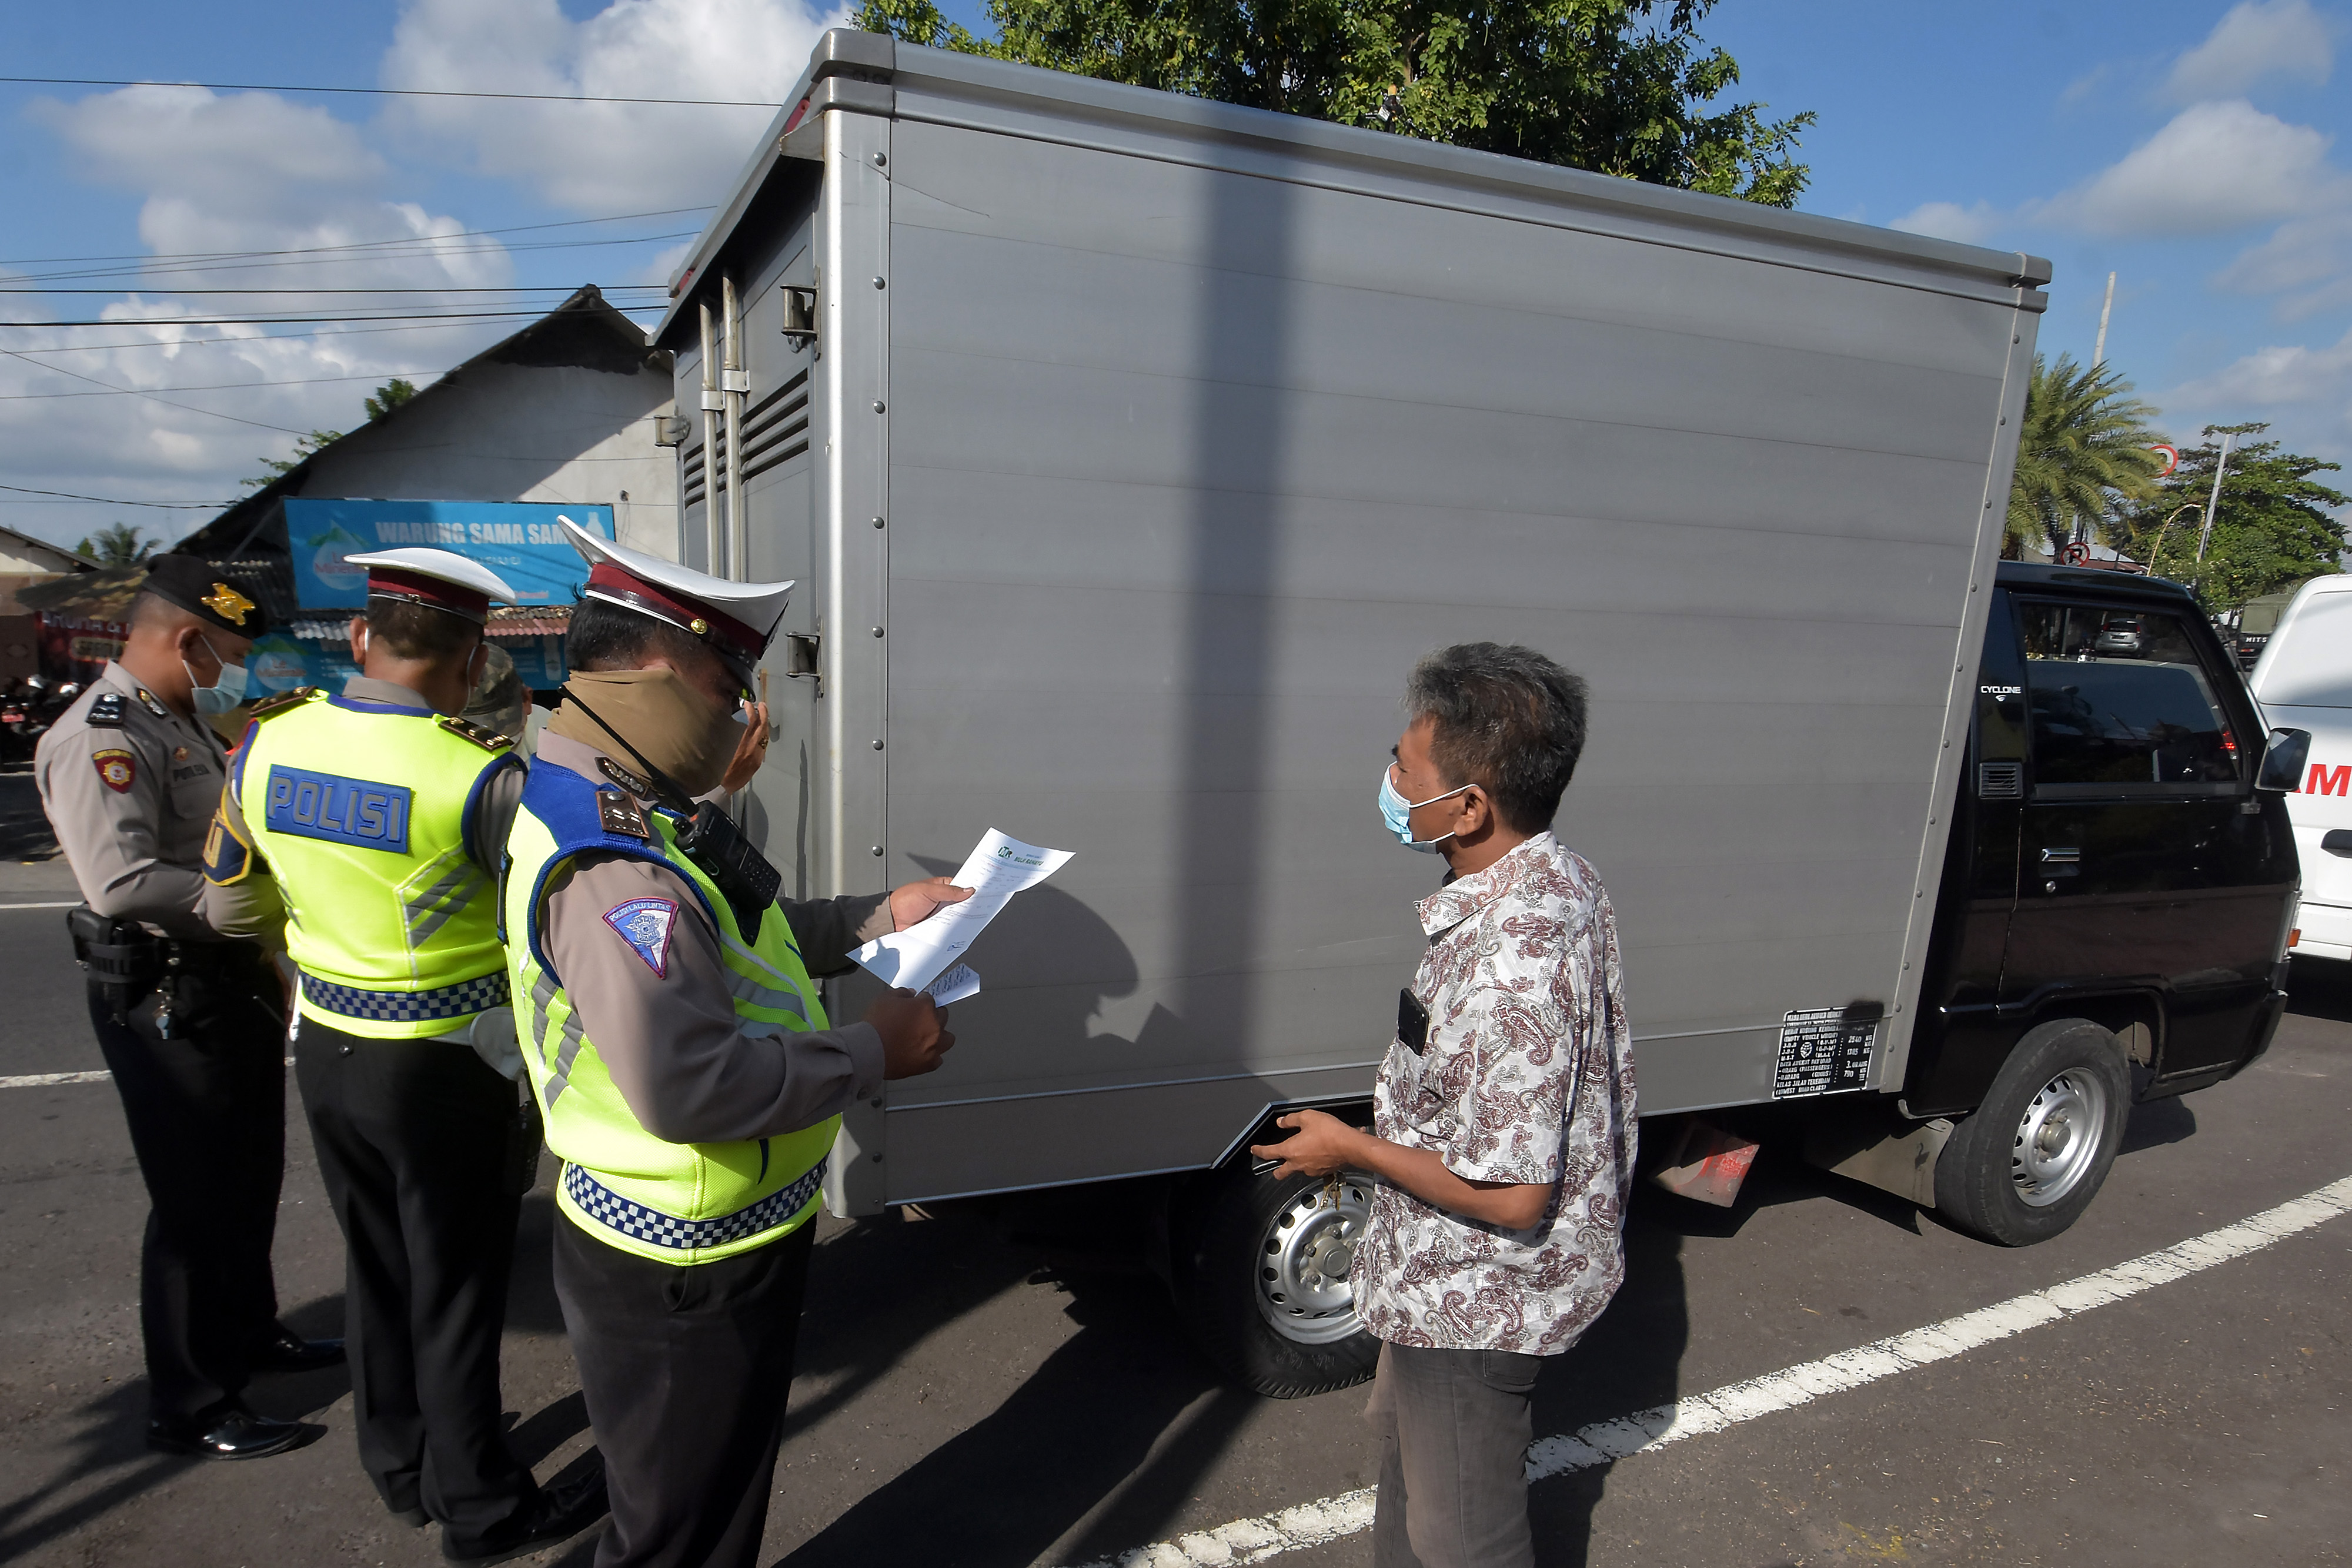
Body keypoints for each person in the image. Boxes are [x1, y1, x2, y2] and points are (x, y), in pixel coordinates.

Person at [500, 520, 969, 1568]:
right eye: (731, 683)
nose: (745, 714)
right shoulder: (614, 859)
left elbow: (747, 933)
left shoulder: (627, 803)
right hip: (683, 1261)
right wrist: (871, 1053)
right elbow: (689, 1084)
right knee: (684, 1535)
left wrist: (873, 917)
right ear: (662, 670)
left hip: (708, 1232)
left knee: (693, 1503)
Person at [201, 549, 608, 1564]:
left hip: (328, 1050)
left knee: (375, 1267)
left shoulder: (266, 743)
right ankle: (479, 1506)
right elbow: (554, 924)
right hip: (444, 1066)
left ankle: (398, 1466)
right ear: (474, 660)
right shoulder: (483, 775)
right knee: (458, 1284)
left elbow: (227, 905)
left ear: (360, 638)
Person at [1252, 641, 1636, 1568]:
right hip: (1432, 1287)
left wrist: (1350, 1150)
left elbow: (1511, 1198)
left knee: (1464, 1538)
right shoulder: (1554, 874)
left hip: (1476, 1305)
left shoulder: (1515, 965)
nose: (1389, 780)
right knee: (1415, 1503)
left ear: (1469, 807)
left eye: (1404, 768)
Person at [32, 556, 343, 1462]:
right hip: (165, 991)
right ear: (187, 639)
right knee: (193, 1198)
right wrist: (247, 907)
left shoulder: (180, 720)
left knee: (247, 1174)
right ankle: (192, 1401)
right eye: (229, 652)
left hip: (223, 981)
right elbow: (122, 881)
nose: (234, 671)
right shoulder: (101, 735)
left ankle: (250, 1335)